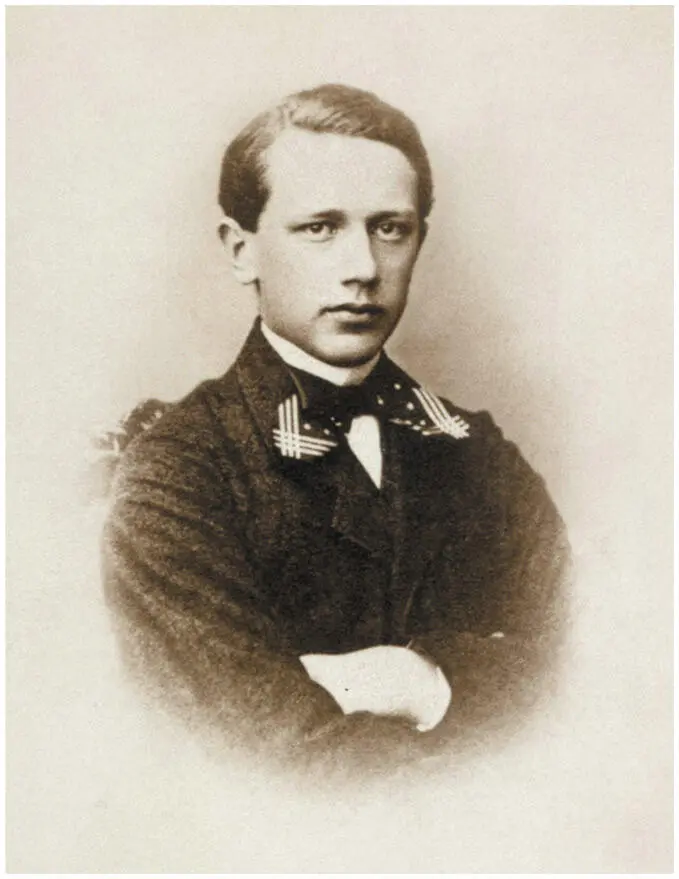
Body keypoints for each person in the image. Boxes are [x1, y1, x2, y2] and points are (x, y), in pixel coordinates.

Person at [101, 84, 569, 774]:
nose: (363, 269)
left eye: (390, 228)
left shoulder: (478, 454)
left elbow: (600, 678)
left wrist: (423, 685)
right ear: (241, 249)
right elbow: (270, 759)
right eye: (320, 227)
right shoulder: (180, 471)